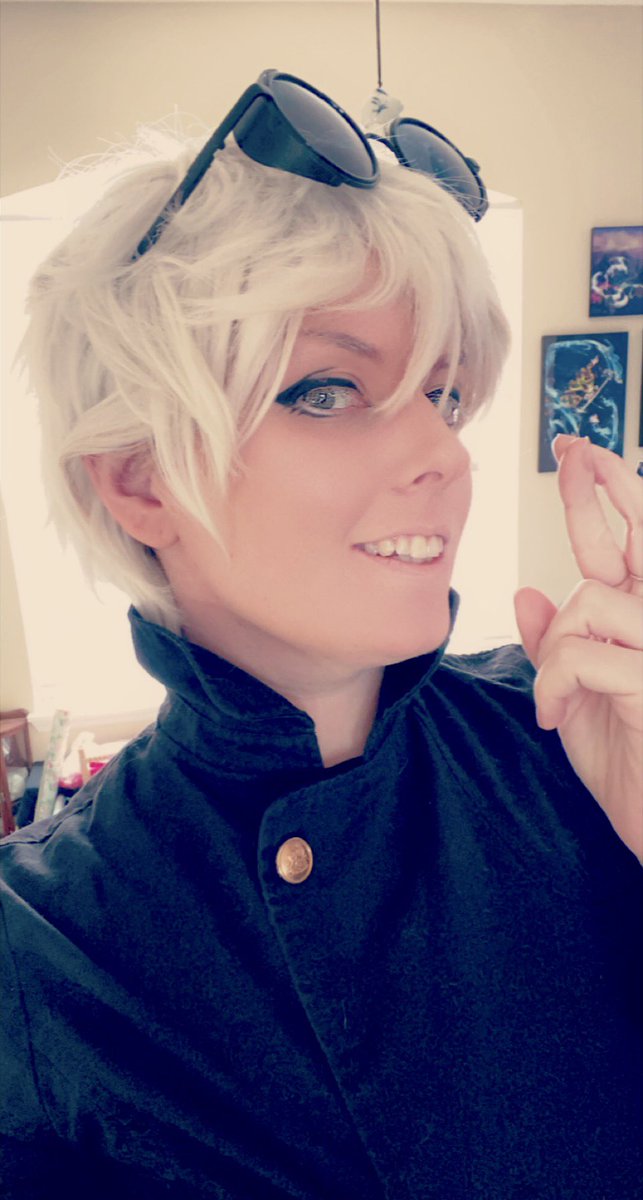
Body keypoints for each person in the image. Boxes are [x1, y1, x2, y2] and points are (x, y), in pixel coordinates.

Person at [1, 71, 641, 1200]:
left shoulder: (584, 739)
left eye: (445, 395)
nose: (444, 456)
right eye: (328, 390)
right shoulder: (40, 947)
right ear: (140, 478)